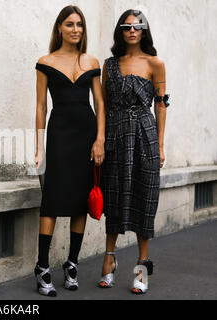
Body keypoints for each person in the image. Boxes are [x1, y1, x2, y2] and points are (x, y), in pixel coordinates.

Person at [34, 5, 105, 297]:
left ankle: (72, 263)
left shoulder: (91, 61)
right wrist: (39, 147)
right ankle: (41, 267)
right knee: (51, 200)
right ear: (59, 28)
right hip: (60, 135)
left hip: (87, 136)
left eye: (80, 25)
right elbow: (40, 106)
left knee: (80, 200)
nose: (76, 29)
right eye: (70, 24)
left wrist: (100, 139)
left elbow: (100, 104)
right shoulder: (45, 61)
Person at [98, 9, 168, 294]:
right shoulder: (109, 65)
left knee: (145, 197)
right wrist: (100, 138)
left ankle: (141, 265)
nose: (132, 30)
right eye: (126, 26)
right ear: (120, 30)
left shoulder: (155, 63)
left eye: (137, 26)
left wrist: (161, 144)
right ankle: (109, 260)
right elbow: (101, 104)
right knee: (113, 196)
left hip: (145, 136)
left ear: (144, 30)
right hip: (116, 134)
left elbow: (161, 105)